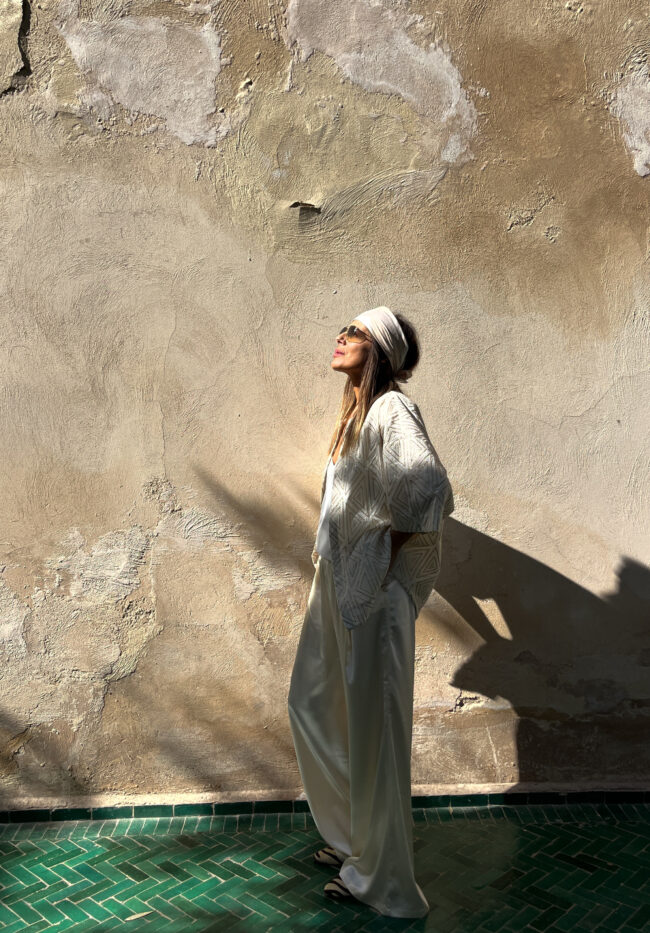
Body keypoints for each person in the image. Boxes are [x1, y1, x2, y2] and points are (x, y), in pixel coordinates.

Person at [288, 305, 454, 919]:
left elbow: (428, 487)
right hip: (338, 580)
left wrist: (382, 556)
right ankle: (353, 839)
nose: (341, 335)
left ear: (380, 349)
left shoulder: (392, 409)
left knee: (377, 733)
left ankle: (382, 881)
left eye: (355, 331)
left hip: (374, 592)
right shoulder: (357, 415)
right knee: (312, 704)